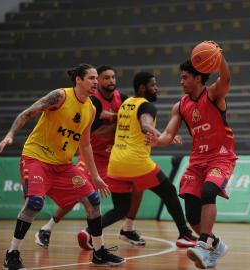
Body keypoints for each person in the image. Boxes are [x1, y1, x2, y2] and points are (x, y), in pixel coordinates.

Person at [0, 64, 124, 269]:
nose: (95, 82)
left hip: (63, 165)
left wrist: (95, 176)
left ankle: (99, 252)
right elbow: (28, 113)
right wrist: (10, 134)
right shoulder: (60, 96)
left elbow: (85, 144)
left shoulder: (90, 108)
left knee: (93, 201)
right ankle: (12, 254)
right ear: (78, 80)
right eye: (91, 78)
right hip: (36, 158)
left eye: (95, 79)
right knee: (34, 204)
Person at [77, 71, 197, 249]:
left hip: (116, 163)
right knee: (169, 191)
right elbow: (145, 125)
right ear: (142, 87)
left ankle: (89, 232)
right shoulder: (146, 106)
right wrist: (165, 136)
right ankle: (184, 234)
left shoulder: (126, 104)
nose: (156, 88)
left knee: (121, 208)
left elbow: (118, 127)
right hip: (136, 162)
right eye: (152, 85)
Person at [146, 43, 237, 269]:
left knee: (209, 192)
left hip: (220, 156)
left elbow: (225, 78)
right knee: (193, 217)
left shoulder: (214, 94)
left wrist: (219, 58)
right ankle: (216, 244)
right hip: (197, 161)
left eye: (185, 77)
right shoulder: (180, 106)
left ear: (198, 78)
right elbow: (168, 134)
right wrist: (158, 141)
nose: (181, 81)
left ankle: (204, 245)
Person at [35, 65, 145, 250]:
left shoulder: (122, 99)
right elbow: (99, 134)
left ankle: (128, 228)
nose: (111, 81)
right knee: (77, 194)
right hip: (92, 156)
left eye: (113, 77)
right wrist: (118, 122)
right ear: (97, 81)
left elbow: (132, 120)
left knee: (138, 183)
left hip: (113, 157)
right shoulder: (93, 103)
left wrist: (121, 119)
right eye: (105, 78)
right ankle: (47, 229)